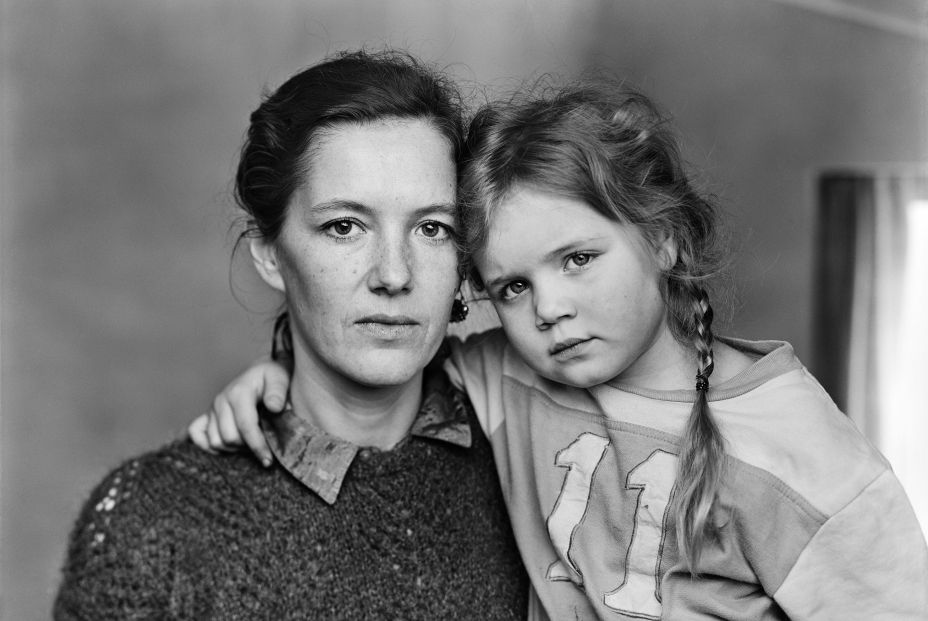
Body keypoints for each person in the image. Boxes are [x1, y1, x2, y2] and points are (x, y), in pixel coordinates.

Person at [192, 80, 928, 619]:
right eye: (512, 286)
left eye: (577, 259)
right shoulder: (508, 378)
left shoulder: (805, 459)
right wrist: (275, 375)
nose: (549, 309)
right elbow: (371, 368)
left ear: (664, 238)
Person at [54, 50, 529, 620]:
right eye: (344, 226)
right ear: (269, 255)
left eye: (432, 228)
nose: (394, 275)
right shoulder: (153, 527)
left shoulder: (546, 459)